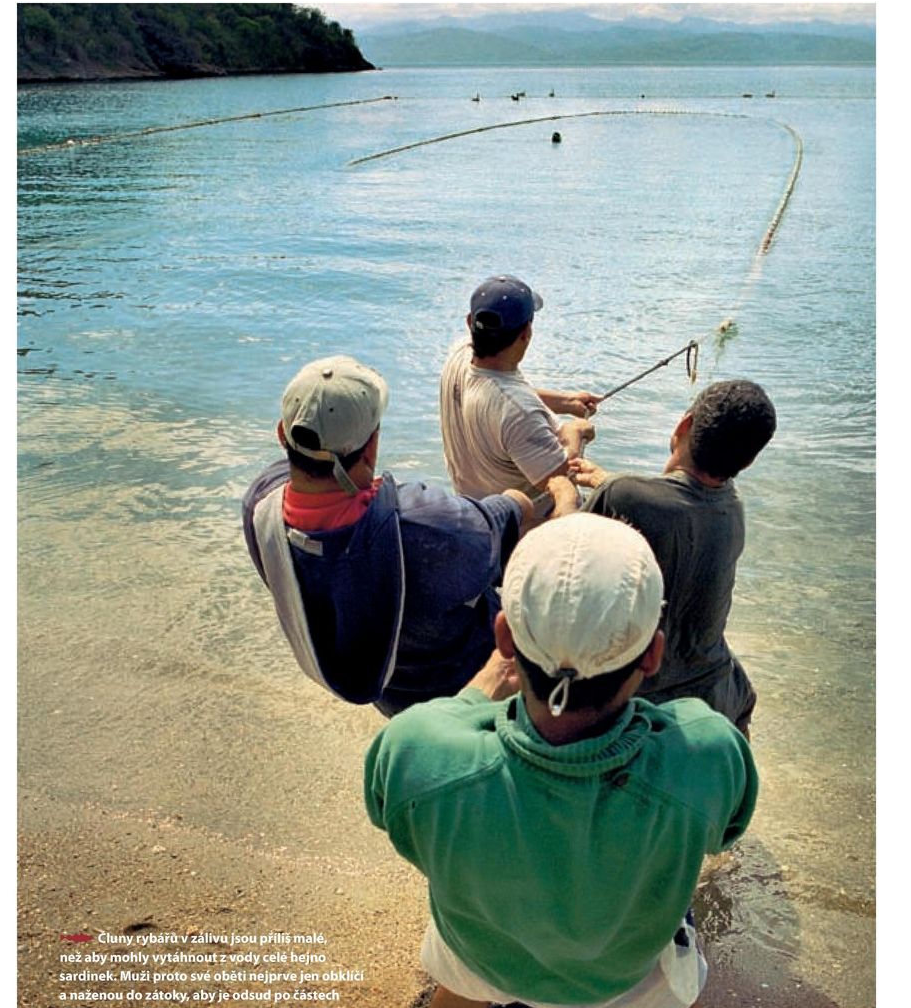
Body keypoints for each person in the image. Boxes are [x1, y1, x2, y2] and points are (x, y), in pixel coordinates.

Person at [365, 513, 757, 1008]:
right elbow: (728, 829)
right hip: (627, 967)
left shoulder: (418, 748)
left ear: (503, 636)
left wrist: (475, 699)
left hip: (485, 955)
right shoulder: (704, 750)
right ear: (653, 653)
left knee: (457, 984)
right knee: (676, 1005)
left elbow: (396, 823)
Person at [242, 355, 577, 716]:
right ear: (371, 447)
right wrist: (544, 501)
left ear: (282, 433)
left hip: (390, 693)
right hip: (471, 692)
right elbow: (495, 526)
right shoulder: (424, 526)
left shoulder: (261, 507)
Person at [578, 379, 777, 734]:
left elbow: (560, 557)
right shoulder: (732, 507)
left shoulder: (623, 497)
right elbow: (678, 508)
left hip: (644, 705)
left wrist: (566, 492)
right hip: (719, 694)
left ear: (683, 426)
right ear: (746, 462)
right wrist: (609, 481)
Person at [439, 275, 599, 504]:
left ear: (469, 322)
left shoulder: (459, 354)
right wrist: (576, 432)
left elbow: (500, 394)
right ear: (526, 333)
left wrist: (566, 401)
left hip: (474, 511)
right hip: (525, 529)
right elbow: (560, 480)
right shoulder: (519, 413)